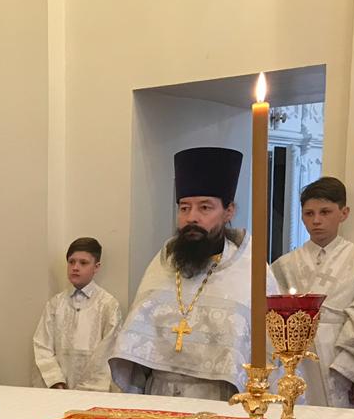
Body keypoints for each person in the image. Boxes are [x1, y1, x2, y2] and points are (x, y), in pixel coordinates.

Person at [106, 146, 273, 400]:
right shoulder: (162, 266)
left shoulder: (251, 271)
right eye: (184, 208)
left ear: (228, 211)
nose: (191, 218)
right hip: (159, 399)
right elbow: (132, 359)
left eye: (205, 208)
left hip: (221, 401)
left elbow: (271, 356)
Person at [270, 177, 354, 407]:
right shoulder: (284, 265)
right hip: (296, 356)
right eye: (309, 214)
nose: (316, 220)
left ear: (344, 213)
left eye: (325, 212)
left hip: (340, 355)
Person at [32, 237, 122, 391]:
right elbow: (42, 344)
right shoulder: (55, 304)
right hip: (58, 388)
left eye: (83, 263)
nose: (75, 267)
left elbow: (108, 351)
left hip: (94, 390)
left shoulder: (108, 305)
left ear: (96, 267)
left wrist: (87, 388)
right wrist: (56, 380)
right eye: (71, 262)